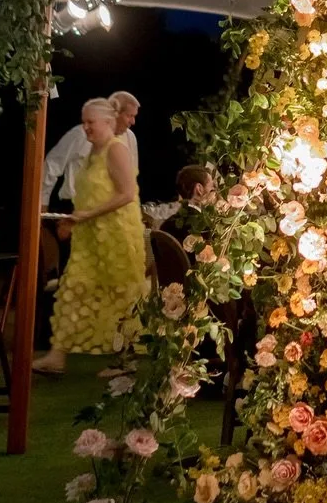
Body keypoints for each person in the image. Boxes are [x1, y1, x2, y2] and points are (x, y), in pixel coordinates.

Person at [33, 99, 146, 375]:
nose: (85, 127)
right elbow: (84, 190)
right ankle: (56, 356)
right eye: (84, 122)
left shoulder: (116, 149)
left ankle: (125, 359)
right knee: (74, 289)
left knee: (120, 293)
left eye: (90, 123)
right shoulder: (93, 151)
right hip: (90, 235)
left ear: (108, 122)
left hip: (115, 234)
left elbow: (127, 194)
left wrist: (81, 217)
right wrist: (74, 221)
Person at [42, 90, 141, 207]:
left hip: (112, 209)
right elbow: (52, 165)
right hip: (77, 205)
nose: (133, 122)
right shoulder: (82, 133)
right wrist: (42, 202)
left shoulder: (130, 138)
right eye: (130, 116)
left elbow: (131, 177)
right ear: (116, 113)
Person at [167, 164, 215, 244]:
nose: (214, 191)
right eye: (212, 187)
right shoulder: (204, 227)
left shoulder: (167, 224)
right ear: (199, 189)